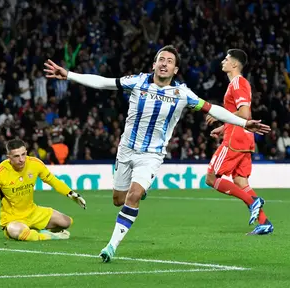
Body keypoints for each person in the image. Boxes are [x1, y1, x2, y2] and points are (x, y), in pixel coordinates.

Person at [44, 45, 271, 262]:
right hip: (126, 150)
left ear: (176, 70)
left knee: (133, 196)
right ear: (154, 64)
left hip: (151, 155)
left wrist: (243, 123)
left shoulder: (182, 93)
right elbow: (104, 83)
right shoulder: (138, 81)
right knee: (118, 200)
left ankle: (111, 246)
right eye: (161, 60)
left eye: (170, 61)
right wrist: (69, 75)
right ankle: (140, 192)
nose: (164, 64)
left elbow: (213, 109)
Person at [205, 49, 273, 235]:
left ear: (235, 64)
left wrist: (220, 115)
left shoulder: (237, 83)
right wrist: (224, 125)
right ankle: (264, 222)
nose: (223, 62)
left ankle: (253, 202)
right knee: (240, 181)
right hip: (243, 136)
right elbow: (246, 114)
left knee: (211, 178)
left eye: (226, 59)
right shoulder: (237, 84)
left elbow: (243, 114)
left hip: (235, 139)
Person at [0, 139, 86, 242]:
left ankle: (36, 231)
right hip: (12, 219)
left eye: (23, 154)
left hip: (33, 212)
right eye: (16, 156)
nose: (21, 159)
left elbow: (53, 181)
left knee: (66, 222)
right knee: (17, 231)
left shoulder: (35, 164)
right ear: (8, 157)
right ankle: (51, 236)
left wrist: (71, 194)